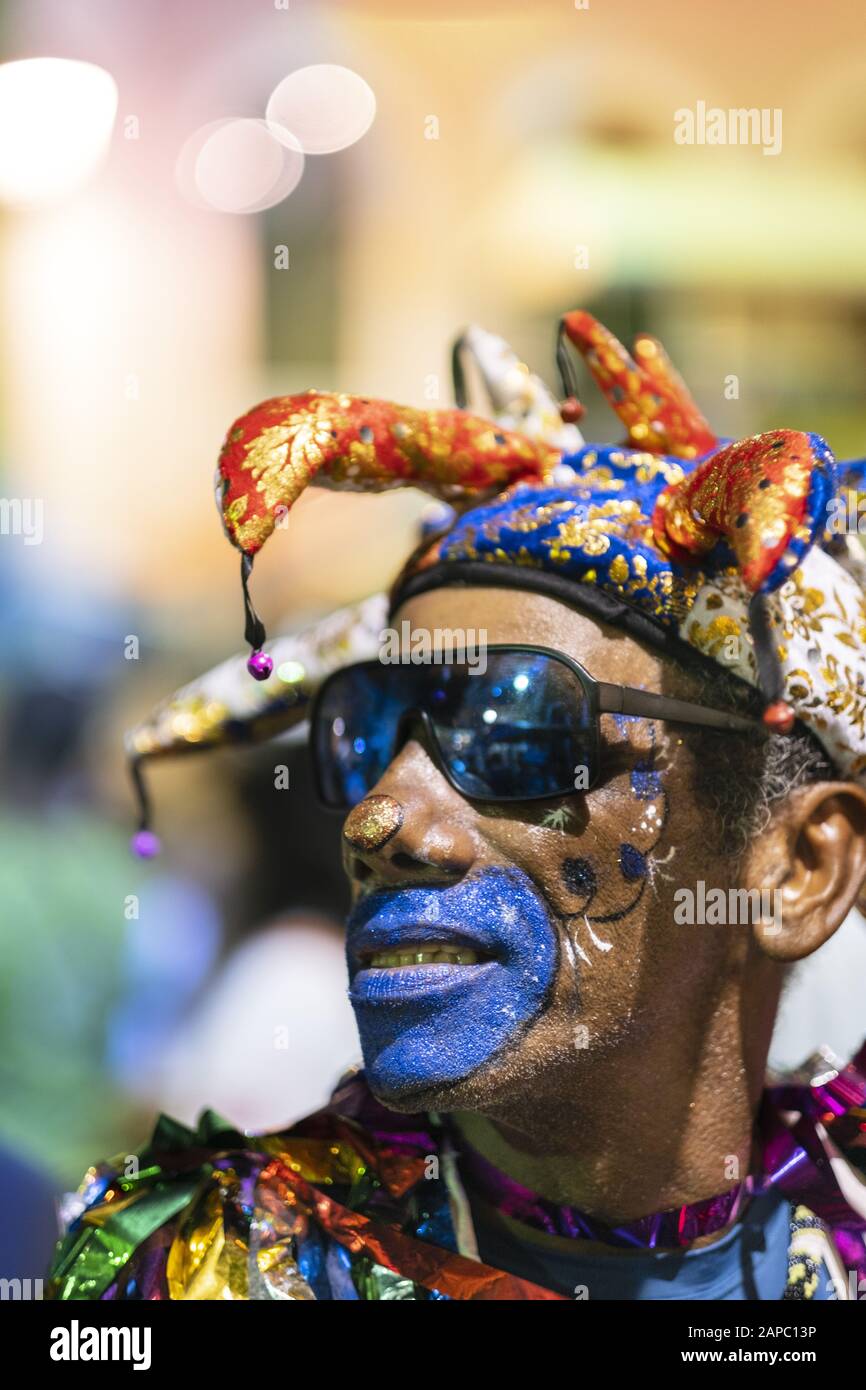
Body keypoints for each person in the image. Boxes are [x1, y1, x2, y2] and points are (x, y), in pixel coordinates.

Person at [47, 313, 866, 1301]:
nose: (380, 819)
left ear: (794, 867)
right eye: (369, 724)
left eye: (520, 731)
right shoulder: (212, 1270)